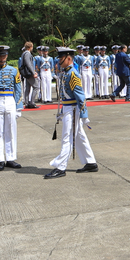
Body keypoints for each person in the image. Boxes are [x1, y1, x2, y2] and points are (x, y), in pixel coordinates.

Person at [45, 47, 98, 178]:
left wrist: (84, 115)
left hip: (74, 110)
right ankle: (90, 162)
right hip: (68, 108)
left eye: (61, 58)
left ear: (68, 58)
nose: (59, 61)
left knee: (67, 137)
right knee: (79, 136)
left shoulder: (72, 74)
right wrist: (62, 111)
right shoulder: (66, 73)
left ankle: (61, 167)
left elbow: (81, 97)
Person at [19, 42, 39, 109]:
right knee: (36, 87)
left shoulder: (24, 53)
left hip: (27, 73)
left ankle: (27, 103)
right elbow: (28, 64)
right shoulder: (27, 53)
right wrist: (33, 73)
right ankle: (32, 103)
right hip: (29, 73)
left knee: (28, 88)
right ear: (30, 47)